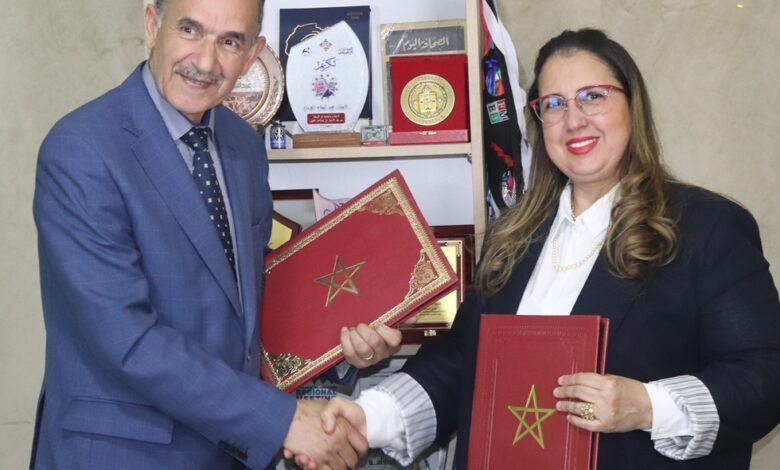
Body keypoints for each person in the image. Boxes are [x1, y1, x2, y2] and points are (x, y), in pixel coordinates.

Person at [294, 28, 780, 469]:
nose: (574, 120)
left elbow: (765, 376)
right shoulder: (513, 234)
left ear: (633, 106)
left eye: (593, 97)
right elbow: (463, 364)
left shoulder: (706, 228)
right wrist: (367, 417)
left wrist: (646, 406)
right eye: (553, 104)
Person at [30, 0, 401, 468]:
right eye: (190, 30)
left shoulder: (243, 146)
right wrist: (282, 421)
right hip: (120, 454)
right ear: (152, 25)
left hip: (228, 453)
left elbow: (244, 313)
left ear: (252, 54)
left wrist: (341, 342)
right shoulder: (81, 150)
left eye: (229, 41)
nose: (206, 62)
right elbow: (129, 340)